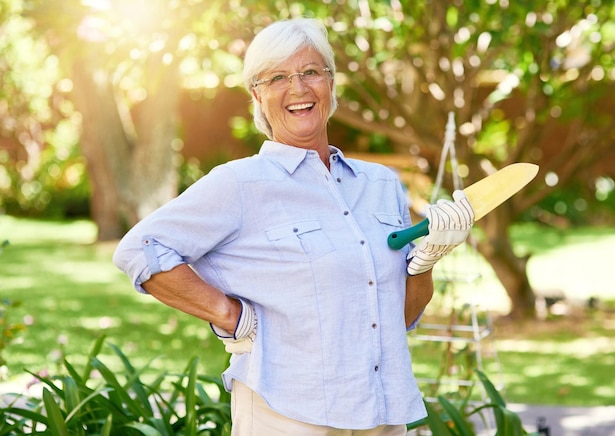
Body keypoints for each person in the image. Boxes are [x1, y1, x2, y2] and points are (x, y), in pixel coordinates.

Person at [113, 17, 474, 435]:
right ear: (257, 94)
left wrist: (427, 260)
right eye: (278, 77)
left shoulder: (380, 184)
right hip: (286, 412)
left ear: (331, 83)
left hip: (381, 411)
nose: (298, 89)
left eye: (310, 72)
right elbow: (140, 249)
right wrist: (228, 315)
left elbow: (400, 318)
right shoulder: (240, 183)